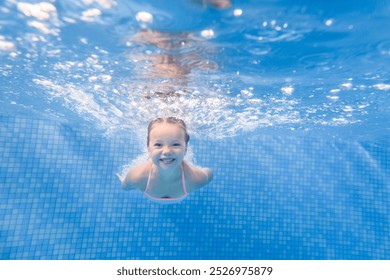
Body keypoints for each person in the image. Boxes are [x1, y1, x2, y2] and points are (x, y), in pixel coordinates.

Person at [117, 117, 213, 203]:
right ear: (148, 149)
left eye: (176, 144)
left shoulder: (196, 178)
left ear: (186, 149)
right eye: (158, 145)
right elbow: (125, 186)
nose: (167, 151)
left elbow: (209, 174)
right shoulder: (136, 177)